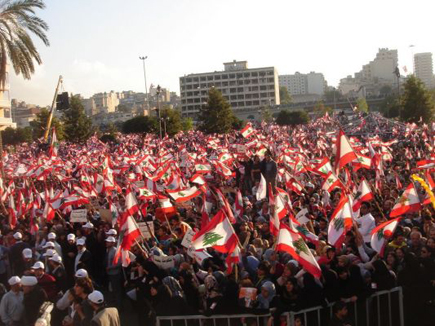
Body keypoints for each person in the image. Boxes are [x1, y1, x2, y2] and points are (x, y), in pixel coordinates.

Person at [104, 236, 123, 309]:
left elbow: (118, 263)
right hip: (110, 274)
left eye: (108, 242)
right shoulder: (108, 250)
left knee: (117, 290)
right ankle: (115, 304)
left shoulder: (115, 251)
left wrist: (110, 267)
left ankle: (119, 306)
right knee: (113, 290)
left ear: (112, 243)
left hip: (115, 274)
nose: (106, 243)